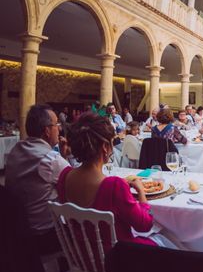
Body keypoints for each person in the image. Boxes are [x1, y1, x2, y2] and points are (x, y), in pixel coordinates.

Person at [57, 113, 161, 248]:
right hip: (117, 258)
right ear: (105, 147)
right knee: (168, 239)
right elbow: (144, 225)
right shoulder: (114, 185)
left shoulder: (64, 176)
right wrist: (140, 191)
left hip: (83, 256)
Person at [4, 104, 71, 255]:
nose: (59, 129)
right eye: (56, 124)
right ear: (47, 130)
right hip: (45, 235)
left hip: (17, 230)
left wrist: (63, 156)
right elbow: (75, 183)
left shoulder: (15, 149)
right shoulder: (50, 159)